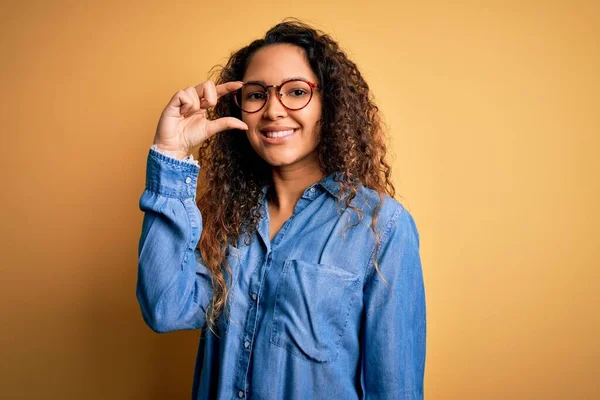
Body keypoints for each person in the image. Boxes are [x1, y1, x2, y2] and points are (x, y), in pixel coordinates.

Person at [137, 18, 426, 399]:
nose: (273, 110)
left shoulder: (381, 228)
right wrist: (171, 153)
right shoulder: (227, 217)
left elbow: (394, 389)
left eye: (295, 92)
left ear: (329, 105)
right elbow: (164, 309)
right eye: (257, 94)